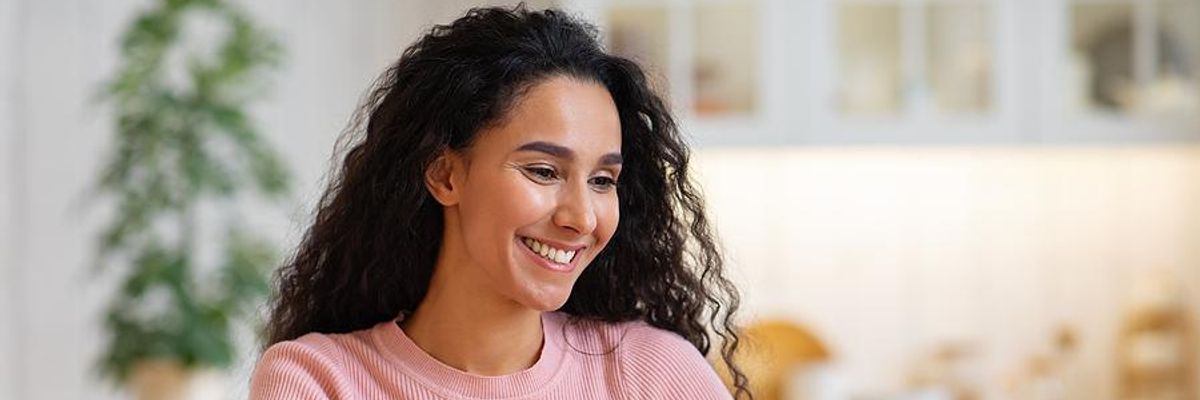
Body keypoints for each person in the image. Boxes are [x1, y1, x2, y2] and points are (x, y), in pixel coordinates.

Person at [250, 5, 749, 399]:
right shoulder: (317, 381)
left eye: (602, 180)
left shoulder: (654, 374)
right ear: (445, 174)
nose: (580, 218)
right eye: (543, 171)